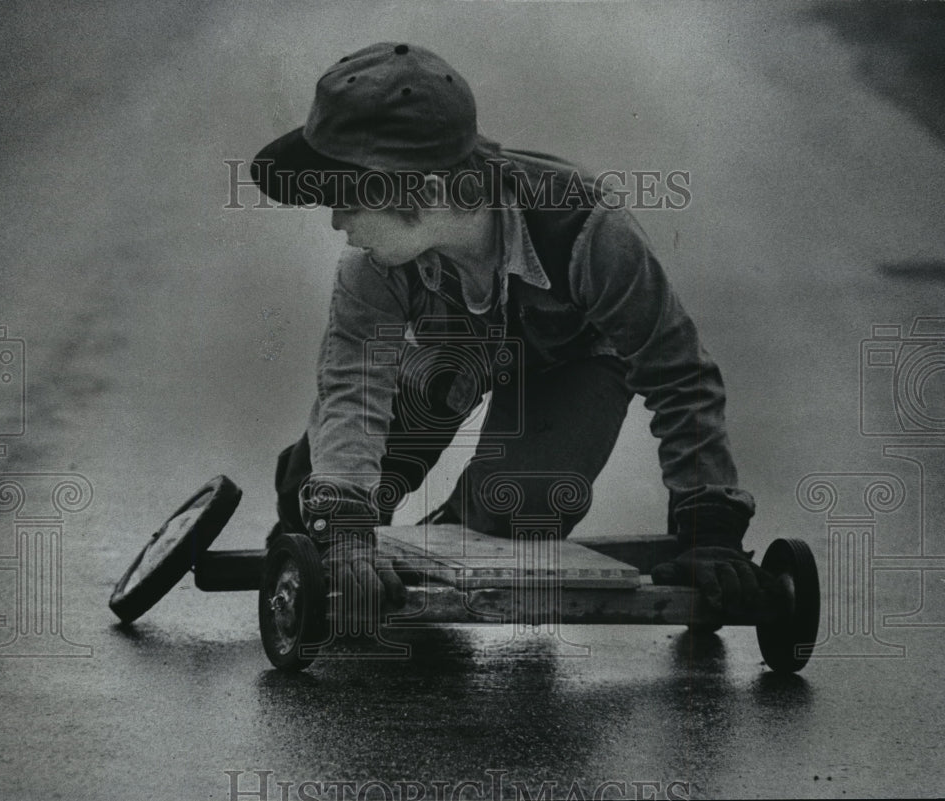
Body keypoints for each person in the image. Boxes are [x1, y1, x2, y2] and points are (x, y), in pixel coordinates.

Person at [250, 42, 776, 622]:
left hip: (569, 359)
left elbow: (679, 375)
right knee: (315, 503)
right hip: (453, 353)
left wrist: (710, 526)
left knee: (522, 513)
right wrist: (346, 530)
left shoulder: (589, 231)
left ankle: (449, 534)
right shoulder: (371, 266)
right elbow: (353, 387)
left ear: (420, 192)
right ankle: (333, 516)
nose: (335, 220)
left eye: (346, 199)